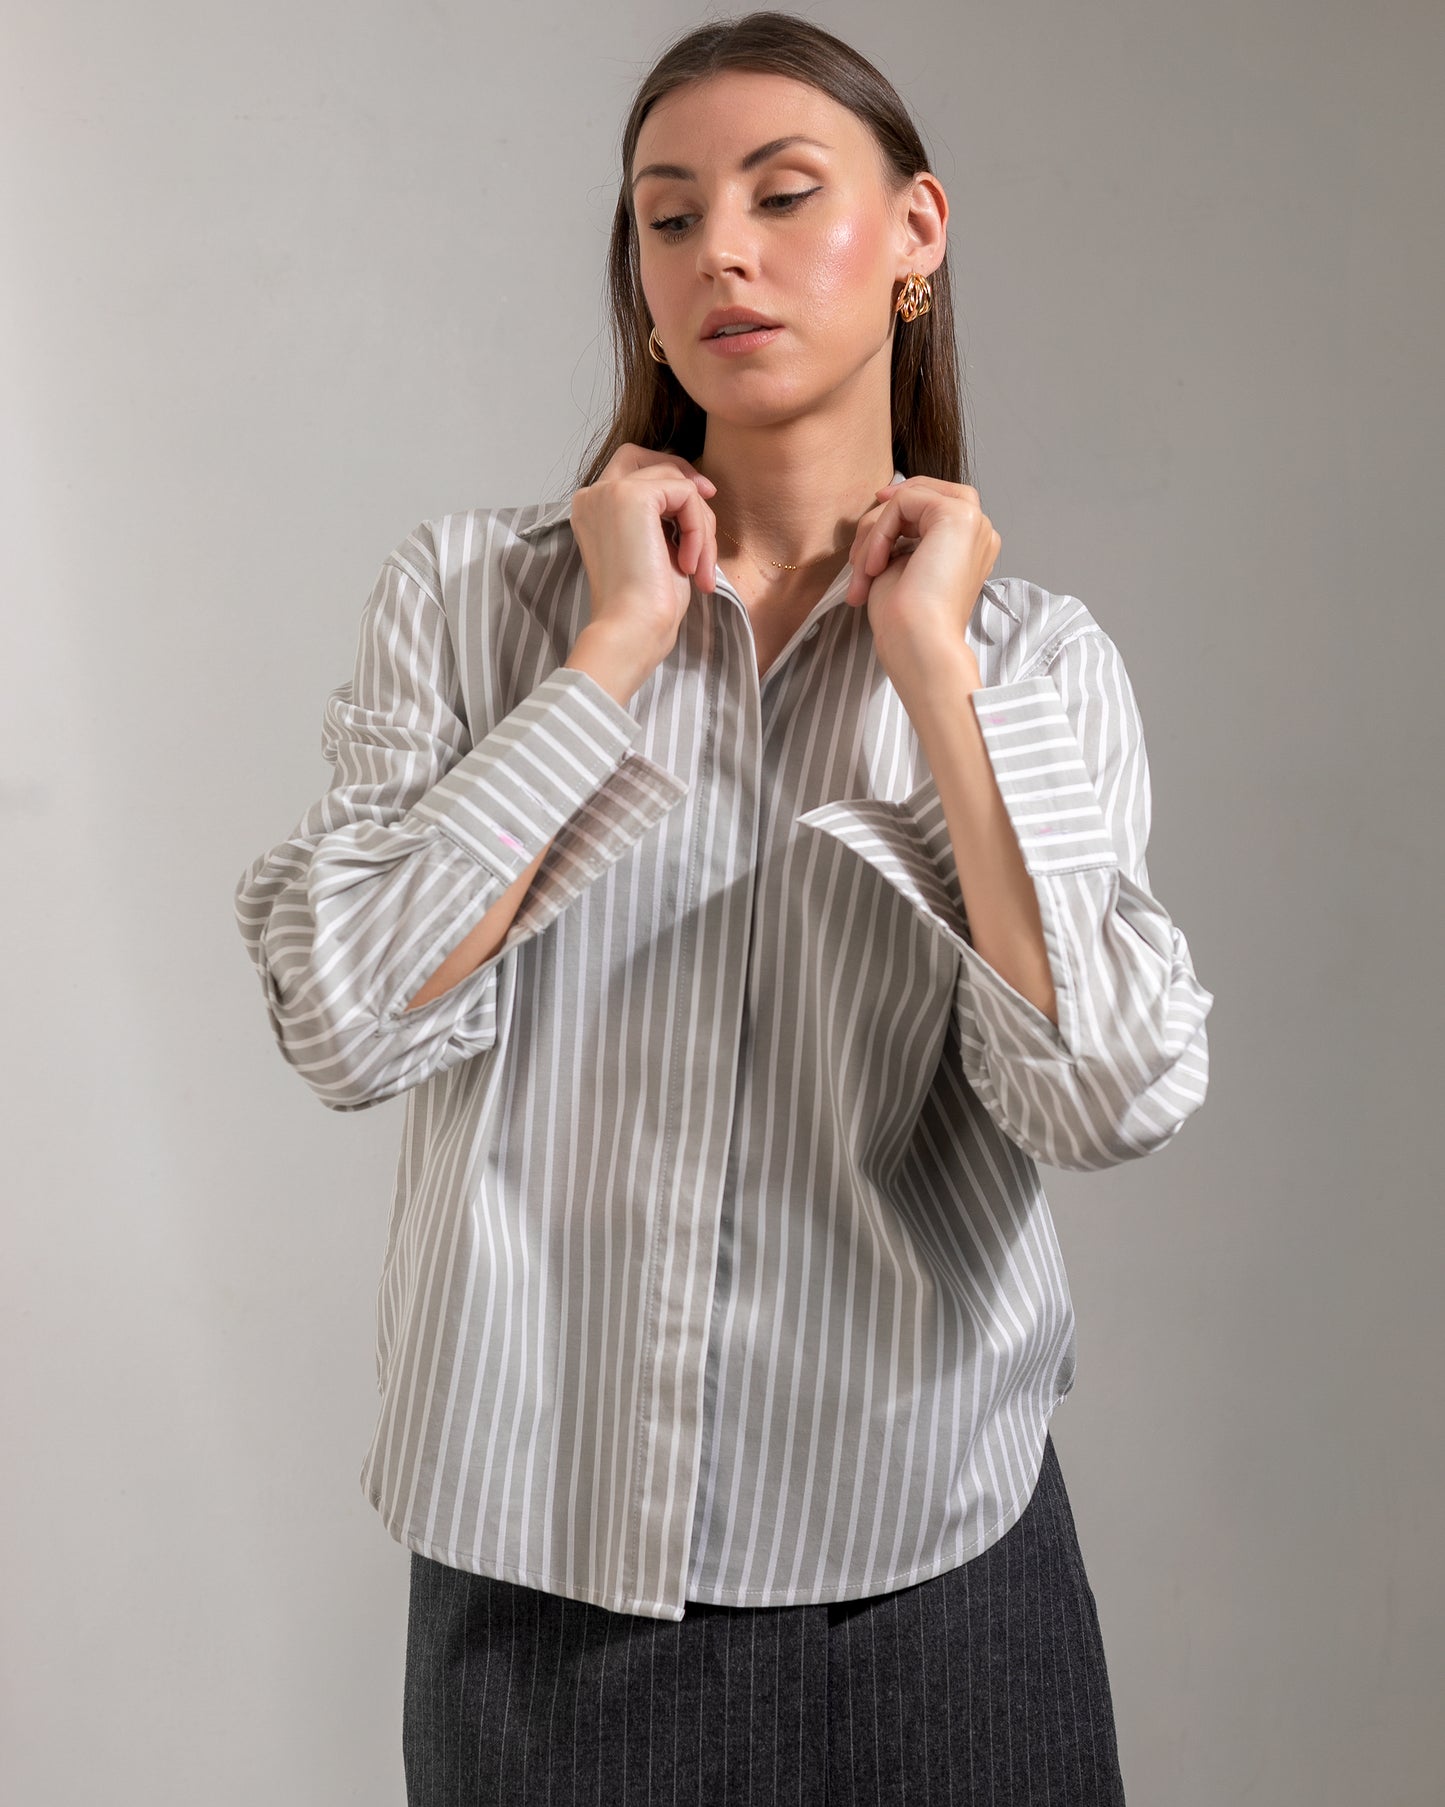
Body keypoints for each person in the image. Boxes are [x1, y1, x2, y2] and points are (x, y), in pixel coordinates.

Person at [234, 12, 1214, 1803]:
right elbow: (348, 1020)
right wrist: (606, 656)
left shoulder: (1027, 664)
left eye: (782, 195)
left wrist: (933, 678)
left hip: (930, 1589)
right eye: (667, 216)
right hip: (539, 1588)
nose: (721, 255)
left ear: (916, 232)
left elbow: (1109, 1095)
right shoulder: (473, 603)